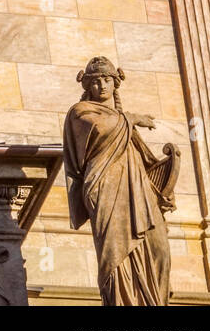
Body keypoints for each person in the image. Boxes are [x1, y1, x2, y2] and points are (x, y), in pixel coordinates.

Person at [63, 56, 178, 305]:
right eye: (95, 82)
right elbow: (102, 129)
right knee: (116, 255)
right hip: (105, 188)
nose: (102, 86)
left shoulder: (123, 121)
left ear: (116, 83)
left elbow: (143, 160)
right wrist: (133, 118)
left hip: (139, 192)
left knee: (160, 251)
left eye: (107, 80)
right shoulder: (81, 112)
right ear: (87, 86)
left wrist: (162, 191)